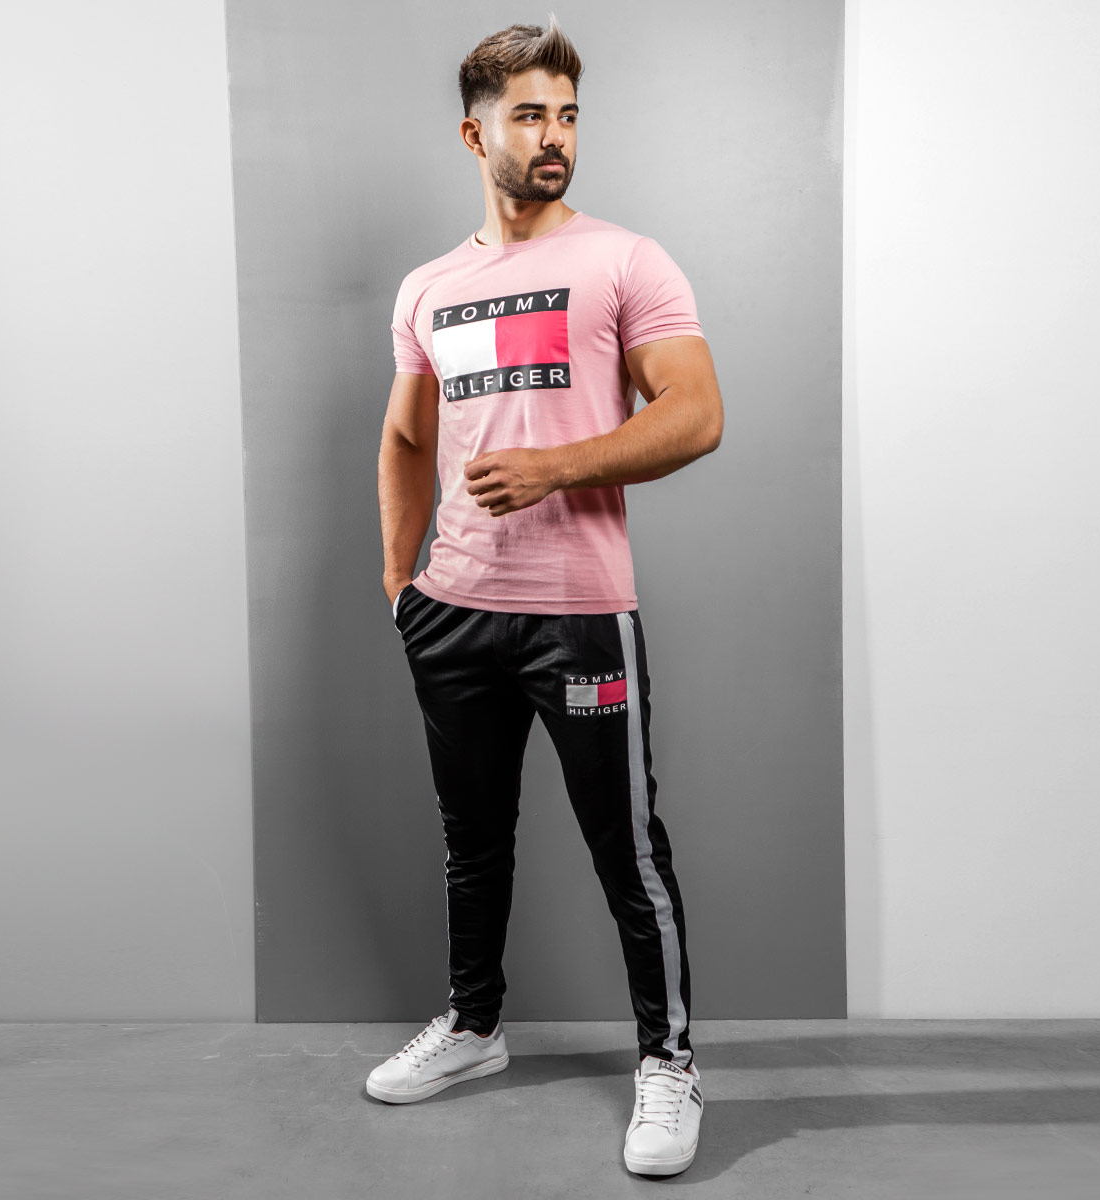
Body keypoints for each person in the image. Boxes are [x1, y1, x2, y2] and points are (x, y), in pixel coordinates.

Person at [369, 14, 723, 1178]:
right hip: (453, 612)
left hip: (579, 613)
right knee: (472, 843)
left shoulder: (626, 261)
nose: (555, 135)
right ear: (476, 135)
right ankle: (475, 1029)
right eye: (529, 115)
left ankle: (668, 1064)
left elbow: (696, 414)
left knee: (628, 852)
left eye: (567, 114)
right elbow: (407, 437)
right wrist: (402, 582)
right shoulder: (429, 288)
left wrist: (557, 467)